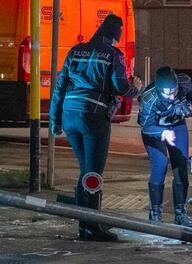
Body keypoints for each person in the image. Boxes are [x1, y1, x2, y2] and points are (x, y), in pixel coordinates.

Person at [49, 14, 142, 241]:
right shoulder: (113, 55)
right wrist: (135, 89)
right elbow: (120, 86)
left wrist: (55, 120)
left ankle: (86, 224)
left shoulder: (75, 51)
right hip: (93, 116)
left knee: (85, 170)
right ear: (115, 33)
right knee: (93, 174)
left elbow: (60, 87)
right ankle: (91, 228)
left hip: (70, 115)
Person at [138, 66, 192, 227]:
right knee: (160, 164)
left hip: (177, 125)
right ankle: (155, 213)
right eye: (167, 93)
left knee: (181, 165)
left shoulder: (185, 83)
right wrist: (162, 133)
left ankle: (180, 213)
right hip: (155, 130)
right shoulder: (149, 98)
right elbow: (145, 126)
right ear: (158, 90)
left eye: (174, 91)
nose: (172, 96)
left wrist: (190, 107)